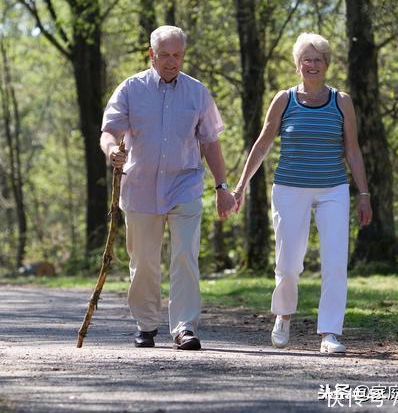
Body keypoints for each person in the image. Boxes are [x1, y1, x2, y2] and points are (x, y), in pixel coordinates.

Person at [232, 33, 372, 353]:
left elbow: (352, 150)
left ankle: (330, 333)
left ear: (327, 65)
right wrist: (241, 185)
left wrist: (364, 194)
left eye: (318, 59)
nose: (312, 64)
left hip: (333, 188)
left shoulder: (342, 101)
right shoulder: (284, 100)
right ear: (297, 65)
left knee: (335, 260)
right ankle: (283, 314)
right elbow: (263, 143)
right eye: (306, 59)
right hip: (290, 188)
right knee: (289, 261)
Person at [100, 25, 236, 350]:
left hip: (184, 184)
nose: (172, 62)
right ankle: (146, 325)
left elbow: (211, 143)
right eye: (165, 55)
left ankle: (184, 327)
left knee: (185, 256)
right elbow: (109, 131)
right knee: (144, 260)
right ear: (152, 55)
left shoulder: (197, 92)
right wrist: (111, 151)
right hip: (139, 187)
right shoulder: (130, 89)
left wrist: (222, 186)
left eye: (177, 55)